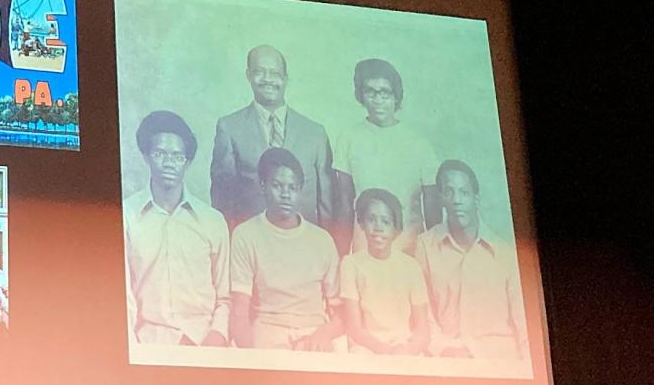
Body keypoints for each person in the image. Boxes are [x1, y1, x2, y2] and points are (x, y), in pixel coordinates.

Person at [123, 110, 230, 346]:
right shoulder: (126, 216)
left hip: (206, 342)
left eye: (178, 156)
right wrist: (133, 350)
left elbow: (225, 295)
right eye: (160, 153)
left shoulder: (213, 221)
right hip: (150, 343)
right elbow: (125, 296)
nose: (169, 163)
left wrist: (217, 336)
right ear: (146, 156)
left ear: (188, 162)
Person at [210, 45, 333, 231]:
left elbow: (326, 202)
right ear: (248, 75)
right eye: (259, 72)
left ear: (285, 78)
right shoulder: (229, 128)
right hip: (251, 244)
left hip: (304, 244)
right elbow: (223, 198)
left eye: (275, 73)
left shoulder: (315, 133)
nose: (267, 79)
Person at [413, 159, 528, 360]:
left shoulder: (505, 253)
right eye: (449, 192)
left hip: (500, 360)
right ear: (440, 198)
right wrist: (443, 349)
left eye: (464, 193)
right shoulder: (425, 246)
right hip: (449, 361)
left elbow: (524, 323)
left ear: (476, 198)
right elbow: (423, 315)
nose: (456, 200)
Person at [229, 147, 341, 350]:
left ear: (300, 190)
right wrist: (253, 360)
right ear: (263, 186)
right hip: (268, 333)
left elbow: (341, 314)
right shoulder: (245, 235)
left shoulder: (322, 240)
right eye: (277, 186)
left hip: (315, 332)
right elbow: (239, 313)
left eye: (293, 188)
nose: (285, 195)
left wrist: (322, 335)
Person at [331, 58, 439, 255]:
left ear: (396, 97)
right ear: (361, 95)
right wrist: (341, 256)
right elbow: (345, 205)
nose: (378, 99)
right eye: (370, 92)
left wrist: (434, 259)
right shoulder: (348, 138)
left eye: (385, 92)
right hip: (364, 251)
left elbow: (433, 214)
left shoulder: (420, 145)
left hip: (410, 251)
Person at [340, 188, 431, 355]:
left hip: (404, 345)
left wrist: (408, 350)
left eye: (386, 221)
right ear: (361, 223)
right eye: (371, 220)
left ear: (396, 229)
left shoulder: (411, 267)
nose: (378, 228)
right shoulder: (351, 264)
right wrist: (385, 351)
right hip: (367, 346)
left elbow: (422, 329)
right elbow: (355, 328)